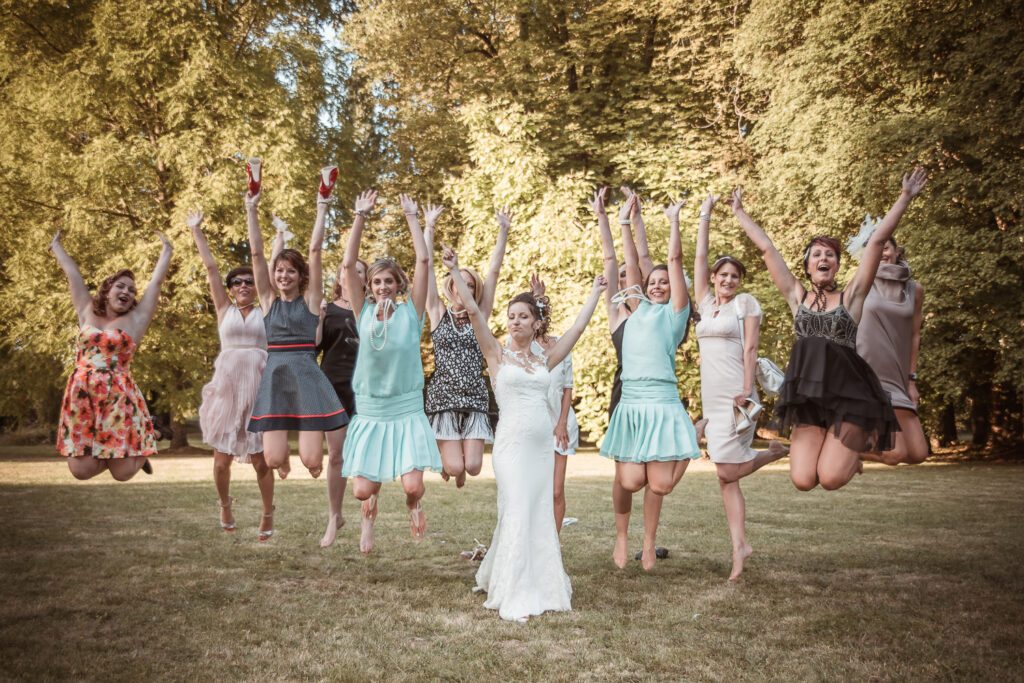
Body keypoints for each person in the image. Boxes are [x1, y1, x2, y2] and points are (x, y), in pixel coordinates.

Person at [729, 167, 928, 491]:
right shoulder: (797, 296)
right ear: (808, 266)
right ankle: (844, 455)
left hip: (850, 399)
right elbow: (768, 249)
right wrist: (740, 213)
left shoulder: (852, 296)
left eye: (830, 254)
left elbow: (877, 241)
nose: (824, 258)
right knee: (804, 480)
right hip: (809, 401)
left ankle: (849, 457)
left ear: (836, 264)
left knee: (832, 479)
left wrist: (904, 197)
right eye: (817, 254)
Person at [442, 244, 606, 622]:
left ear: (536, 323)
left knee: (537, 512)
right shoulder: (496, 354)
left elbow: (578, 329)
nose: (514, 321)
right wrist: (453, 271)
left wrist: (595, 294)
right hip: (511, 448)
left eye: (523, 317)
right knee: (516, 507)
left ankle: (542, 583)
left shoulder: (547, 358)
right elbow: (475, 313)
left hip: (541, 449)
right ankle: (511, 588)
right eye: (511, 316)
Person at [599, 193, 700, 571]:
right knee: (630, 481)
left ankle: (648, 540)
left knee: (661, 486)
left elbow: (673, 261)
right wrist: (623, 222)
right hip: (632, 404)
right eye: (652, 281)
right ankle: (624, 537)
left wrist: (674, 220)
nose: (657, 285)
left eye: (663, 282)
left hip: (662, 403)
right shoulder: (635, 310)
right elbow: (629, 263)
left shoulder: (675, 316)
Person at [692, 193, 788, 581]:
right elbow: (697, 259)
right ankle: (739, 546)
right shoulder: (704, 302)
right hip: (710, 397)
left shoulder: (745, 304)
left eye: (735, 275)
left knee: (728, 470)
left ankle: (772, 454)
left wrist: (748, 389)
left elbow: (751, 347)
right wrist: (705, 215)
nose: (729, 280)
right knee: (723, 475)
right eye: (723, 274)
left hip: (736, 391)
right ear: (714, 278)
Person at [340, 192, 443, 554]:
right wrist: (359, 216)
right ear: (368, 286)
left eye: (389, 281)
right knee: (361, 490)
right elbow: (348, 262)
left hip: (406, 409)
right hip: (372, 410)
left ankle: (414, 506)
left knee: (413, 485)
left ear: (398, 285)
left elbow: (424, 260)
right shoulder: (362, 313)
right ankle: (369, 513)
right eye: (377, 282)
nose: (383, 286)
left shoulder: (410, 315)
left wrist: (413, 218)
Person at [246, 169, 349, 482]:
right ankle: (282, 461)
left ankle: (309, 458)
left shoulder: (309, 300)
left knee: (312, 459)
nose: (283, 276)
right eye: (279, 271)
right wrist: (251, 208)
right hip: (276, 376)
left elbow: (315, 251)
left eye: (290, 271)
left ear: (300, 276)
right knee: (274, 457)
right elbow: (256, 252)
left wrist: (323, 204)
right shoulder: (268, 300)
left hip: (306, 374)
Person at [51, 229, 172, 481]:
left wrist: (167, 250)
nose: (126, 292)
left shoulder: (136, 320)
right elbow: (73, 276)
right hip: (82, 394)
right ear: (107, 289)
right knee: (80, 471)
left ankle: (151, 433)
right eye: (120, 286)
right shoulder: (86, 309)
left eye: (131, 290)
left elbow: (156, 283)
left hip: (118, 397)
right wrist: (56, 247)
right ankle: (137, 442)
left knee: (123, 473)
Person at [188, 210, 276, 539]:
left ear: (257, 285)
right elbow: (210, 268)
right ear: (229, 288)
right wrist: (197, 231)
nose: (242, 285)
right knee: (221, 460)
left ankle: (268, 513)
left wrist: (276, 239)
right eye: (236, 282)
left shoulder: (267, 309)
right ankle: (224, 504)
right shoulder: (224, 310)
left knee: (260, 460)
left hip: (257, 390)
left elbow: (262, 262)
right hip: (226, 391)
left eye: (248, 281)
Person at [422, 207, 511, 487]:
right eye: (461, 283)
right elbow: (425, 269)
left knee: (472, 467)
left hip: (474, 397)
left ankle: (457, 464)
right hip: (444, 397)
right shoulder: (437, 312)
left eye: (471, 285)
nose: (466, 289)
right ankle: (448, 461)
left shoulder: (479, 317)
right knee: (454, 465)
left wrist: (503, 230)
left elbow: (494, 271)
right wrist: (429, 227)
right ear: (451, 285)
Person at [857, 236, 928, 465]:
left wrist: (912, 380)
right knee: (895, 454)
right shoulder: (861, 285)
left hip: (898, 377)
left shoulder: (915, 290)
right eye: (876, 250)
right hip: (869, 374)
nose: (882, 254)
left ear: (897, 251)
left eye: (886, 248)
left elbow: (914, 335)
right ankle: (845, 452)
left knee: (918, 454)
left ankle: (853, 450)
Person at [316, 256, 367, 547]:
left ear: (364, 279)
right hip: (332, 386)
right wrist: (320, 318)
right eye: (347, 270)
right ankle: (335, 516)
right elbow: (313, 346)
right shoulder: (328, 309)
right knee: (336, 456)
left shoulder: (371, 310)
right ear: (339, 277)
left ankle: (366, 520)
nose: (353, 274)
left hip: (364, 389)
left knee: (363, 457)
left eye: (360, 271)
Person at [528, 274, 580, 533]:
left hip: (560, 424)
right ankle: (534, 537)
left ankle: (553, 543)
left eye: (542, 312)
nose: (538, 320)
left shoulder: (560, 345)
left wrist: (561, 424)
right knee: (534, 488)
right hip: (534, 426)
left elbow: (567, 387)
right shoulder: (521, 347)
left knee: (556, 490)